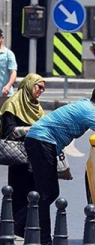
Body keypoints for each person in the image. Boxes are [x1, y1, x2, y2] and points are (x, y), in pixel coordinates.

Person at [24, 85, 95, 245]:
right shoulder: (90, 111)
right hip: (42, 141)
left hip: (42, 141)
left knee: (50, 192)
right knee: (46, 193)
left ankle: (17, 224)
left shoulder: (86, 106)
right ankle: (43, 238)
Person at [0, 73, 45, 236]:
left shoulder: (37, 107)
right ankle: (11, 228)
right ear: (29, 84)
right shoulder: (12, 104)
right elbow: (8, 131)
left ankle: (24, 228)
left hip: (34, 158)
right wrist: (31, 130)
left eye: (43, 89)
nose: (41, 91)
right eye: (38, 87)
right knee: (17, 194)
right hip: (18, 158)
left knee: (34, 194)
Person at [0, 28, 17, 97]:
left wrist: (8, 86)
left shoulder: (8, 54)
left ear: (2, 38)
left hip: (4, 94)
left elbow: (13, 72)